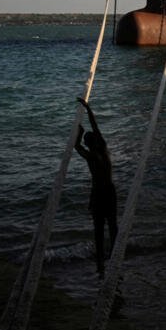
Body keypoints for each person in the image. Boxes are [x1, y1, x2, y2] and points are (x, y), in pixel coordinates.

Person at [75, 97, 118, 277]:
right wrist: (87, 110)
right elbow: (93, 129)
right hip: (105, 192)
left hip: (103, 193)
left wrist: (79, 131)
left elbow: (78, 144)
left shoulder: (95, 154)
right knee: (106, 226)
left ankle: (105, 257)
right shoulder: (99, 152)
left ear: (89, 143)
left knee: (105, 226)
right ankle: (106, 256)